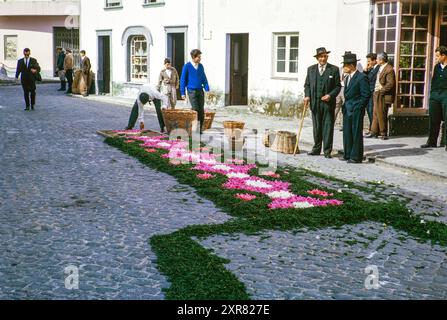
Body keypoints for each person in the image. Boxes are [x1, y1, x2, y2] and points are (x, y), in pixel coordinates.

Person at [304, 47, 341, 158]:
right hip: (315, 103)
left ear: (327, 57)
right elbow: (307, 85)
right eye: (321, 56)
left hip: (328, 104)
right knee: (317, 127)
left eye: (325, 56)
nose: (323, 58)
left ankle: (327, 151)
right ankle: (316, 149)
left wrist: (330, 95)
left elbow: (338, 86)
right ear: (317, 58)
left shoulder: (333, 69)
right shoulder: (311, 69)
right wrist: (307, 96)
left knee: (328, 127)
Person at [341, 53, 371, 164]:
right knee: (347, 132)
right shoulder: (347, 77)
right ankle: (347, 154)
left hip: (356, 109)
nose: (344, 68)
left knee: (356, 132)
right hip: (347, 109)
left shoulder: (361, 77)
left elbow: (366, 94)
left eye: (345, 65)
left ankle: (356, 156)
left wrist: (359, 107)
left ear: (352, 66)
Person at [421, 46, 447, 151]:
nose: (436, 58)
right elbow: (434, 81)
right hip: (435, 95)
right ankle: (431, 142)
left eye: (437, 56)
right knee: (433, 119)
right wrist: (432, 94)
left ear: (444, 56)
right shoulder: (437, 67)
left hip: (445, 94)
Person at [366, 52, 396, 140]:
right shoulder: (381, 67)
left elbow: (390, 84)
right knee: (375, 113)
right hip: (377, 93)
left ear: (381, 60)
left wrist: (381, 91)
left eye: (378, 59)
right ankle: (374, 132)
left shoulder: (389, 69)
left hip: (382, 94)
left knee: (381, 114)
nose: (376, 61)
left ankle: (383, 133)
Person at [180, 49, 210, 134]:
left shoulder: (200, 66)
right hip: (191, 91)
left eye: (200, 57)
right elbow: (183, 80)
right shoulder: (187, 66)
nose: (200, 58)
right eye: (198, 57)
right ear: (193, 57)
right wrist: (182, 93)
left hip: (200, 90)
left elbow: (204, 77)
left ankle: (200, 129)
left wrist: (207, 87)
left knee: (201, 110)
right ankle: (194, 128)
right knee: (195, 109)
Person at [364, 53, 380, 135]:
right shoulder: (371, 68)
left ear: (374, 61)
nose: (368, 63)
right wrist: (366, 70)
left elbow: (369, 78)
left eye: (369, 61)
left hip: (372, 92)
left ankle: (374, 131)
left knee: (371, 111)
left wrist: (366, 71)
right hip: (368, 92)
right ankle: (371, 129)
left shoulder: (377, 68)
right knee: (369, 111)